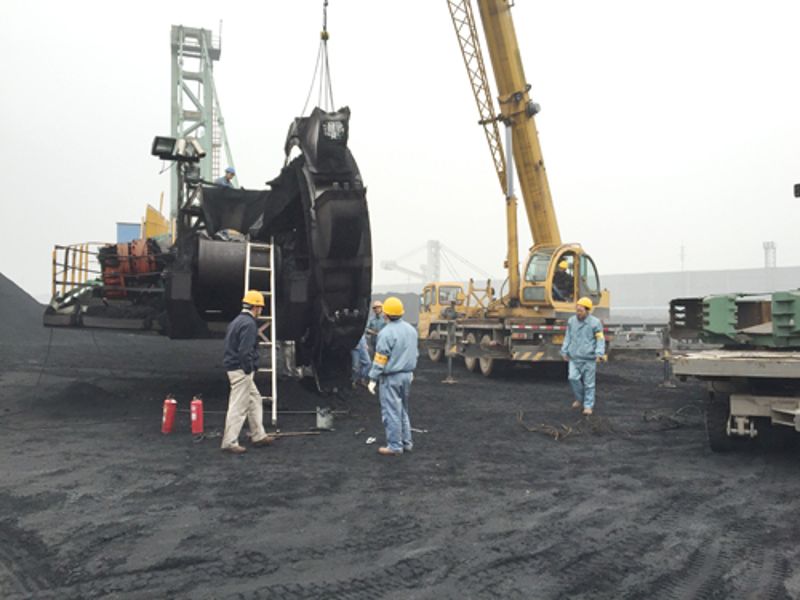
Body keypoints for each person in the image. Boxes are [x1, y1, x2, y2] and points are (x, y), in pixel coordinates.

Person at [220, 290, 274, 454]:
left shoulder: (237, 321)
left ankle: (258, 435)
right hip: (241, 370)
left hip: (234, 367)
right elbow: (245, 351)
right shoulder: (249, 324)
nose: (261, 311)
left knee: (255, 400)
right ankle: (230, 442)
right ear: (255, 307)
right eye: (260, 307)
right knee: (239, 406)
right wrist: (248, 368)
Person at [367, 296, 418, 456]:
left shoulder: (386, 333)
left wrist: (373, 378)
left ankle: (395, 446)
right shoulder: (411, 330)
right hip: (407, 375)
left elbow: (380, 359)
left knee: (391, 412)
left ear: (385, 314)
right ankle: (407, 442)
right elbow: (414, 353)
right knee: (403, 410)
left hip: (391, 378)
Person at [560, 296, 606, 416]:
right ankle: (580, 399)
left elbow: (600, 339)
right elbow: (568, 337)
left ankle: (588, 406)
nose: (578, 313)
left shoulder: (595, 323)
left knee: (589, 384)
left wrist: (599, 353)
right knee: (572, 378)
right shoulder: (571, 321)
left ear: (587, 310)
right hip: (574, 357)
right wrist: (564, 351)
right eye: (577, 310)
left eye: (580, 311)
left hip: (588, 358)